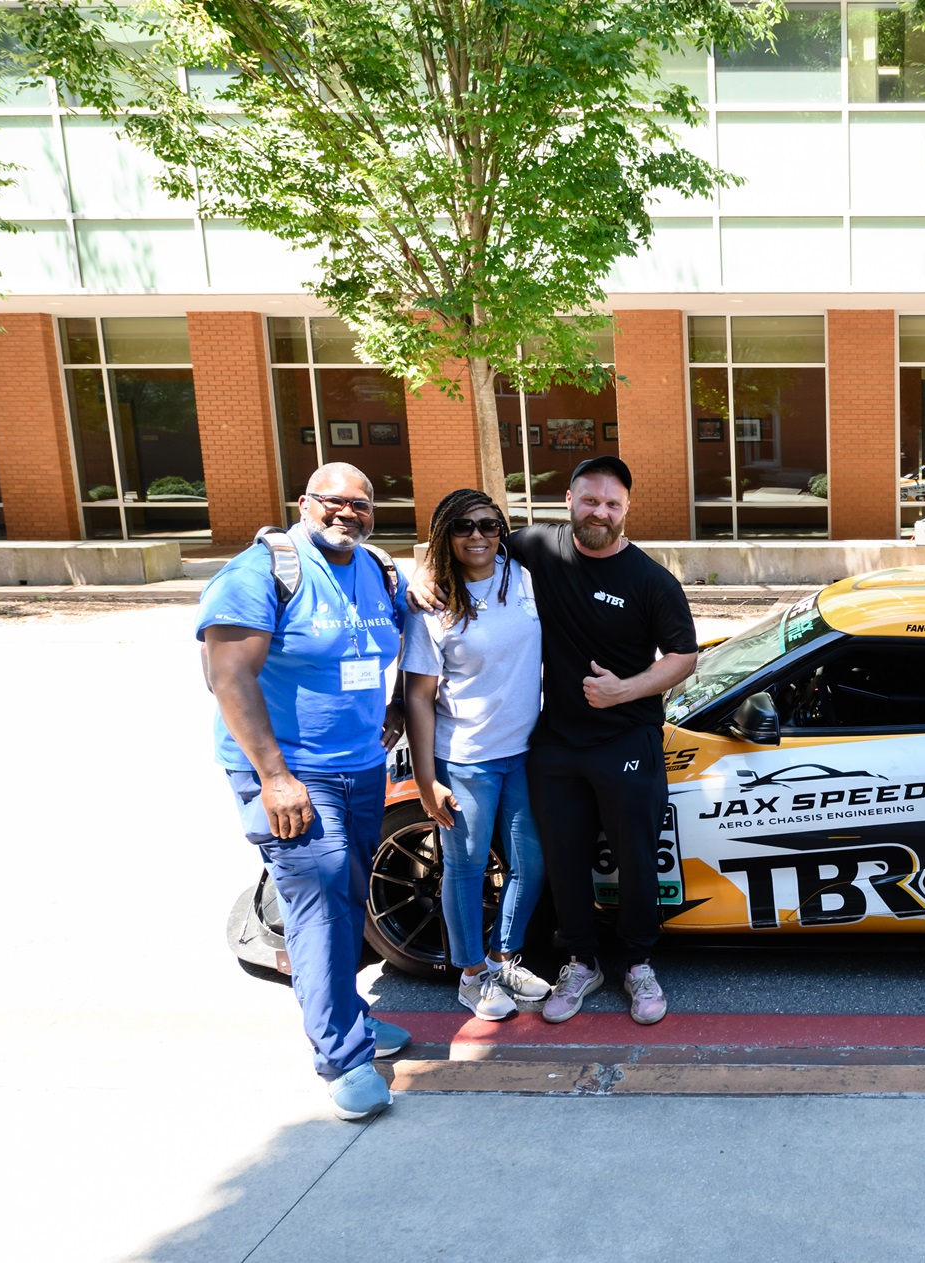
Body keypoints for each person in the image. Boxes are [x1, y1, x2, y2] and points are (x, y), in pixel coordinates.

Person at [411, 456, 697, 1026]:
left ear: (626, 510)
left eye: (613, 504)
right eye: (591, 501)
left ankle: (638, 963)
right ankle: (581, 961)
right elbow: (463, 540)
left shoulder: (651, 580)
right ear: (568, 500)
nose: (601, 512)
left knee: (638, 857)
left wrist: (627, 690)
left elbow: (684, 658)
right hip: (554, 744)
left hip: (627, 739)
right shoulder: (535, 548)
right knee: (561, 861)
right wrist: (422, 572)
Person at [199, 464, 411, 1121]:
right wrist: (275, 776)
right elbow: (228, 676)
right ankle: (343, 1057)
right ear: (304, 503)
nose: (349, 513)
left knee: (348, 897)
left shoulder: (377, 570)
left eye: (363, 504)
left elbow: (410, 643)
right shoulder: (261, 570)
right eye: (335, 502)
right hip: (291, 774)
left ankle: (346, 1012)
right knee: (317, 901)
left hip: (359, 767)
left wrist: (399, 703)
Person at [401, 489, 553, 1021]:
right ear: (445, 534)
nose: (478, 537)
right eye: (463, 527)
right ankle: (470, 975)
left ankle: (502, 957)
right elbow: (418, 697)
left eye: (489, 526)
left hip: (525, 750)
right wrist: (425, 779)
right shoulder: (432, 604)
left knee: (530, 864)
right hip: (464, 757)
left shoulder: (523, 577)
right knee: (464, 868)